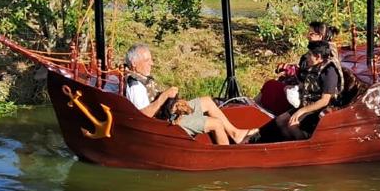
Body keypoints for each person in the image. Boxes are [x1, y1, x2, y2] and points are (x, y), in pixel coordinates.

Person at [123, 44, 257, 144]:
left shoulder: (140, 77)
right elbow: (142, 116)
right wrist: (164, 96)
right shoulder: (136, 86)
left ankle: (235, 133)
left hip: (170, 111)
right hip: (166, 123)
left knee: (207, 101)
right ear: (134, 64)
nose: (151, 63)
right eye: (147, 60)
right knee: (216, 124)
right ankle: (227, 158)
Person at [275, 40, 342, 140]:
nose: (306, 56)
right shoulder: (314, 66)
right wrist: (294, 88)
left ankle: (303, 147)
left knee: (292, 125)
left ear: (318, 57)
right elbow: (309, 84)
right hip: (307, 102)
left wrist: (301, 111)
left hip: (318, 108)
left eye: (309, 54)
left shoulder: (329, 72)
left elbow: (324, 101)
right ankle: (289, 145)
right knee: (280, 120)